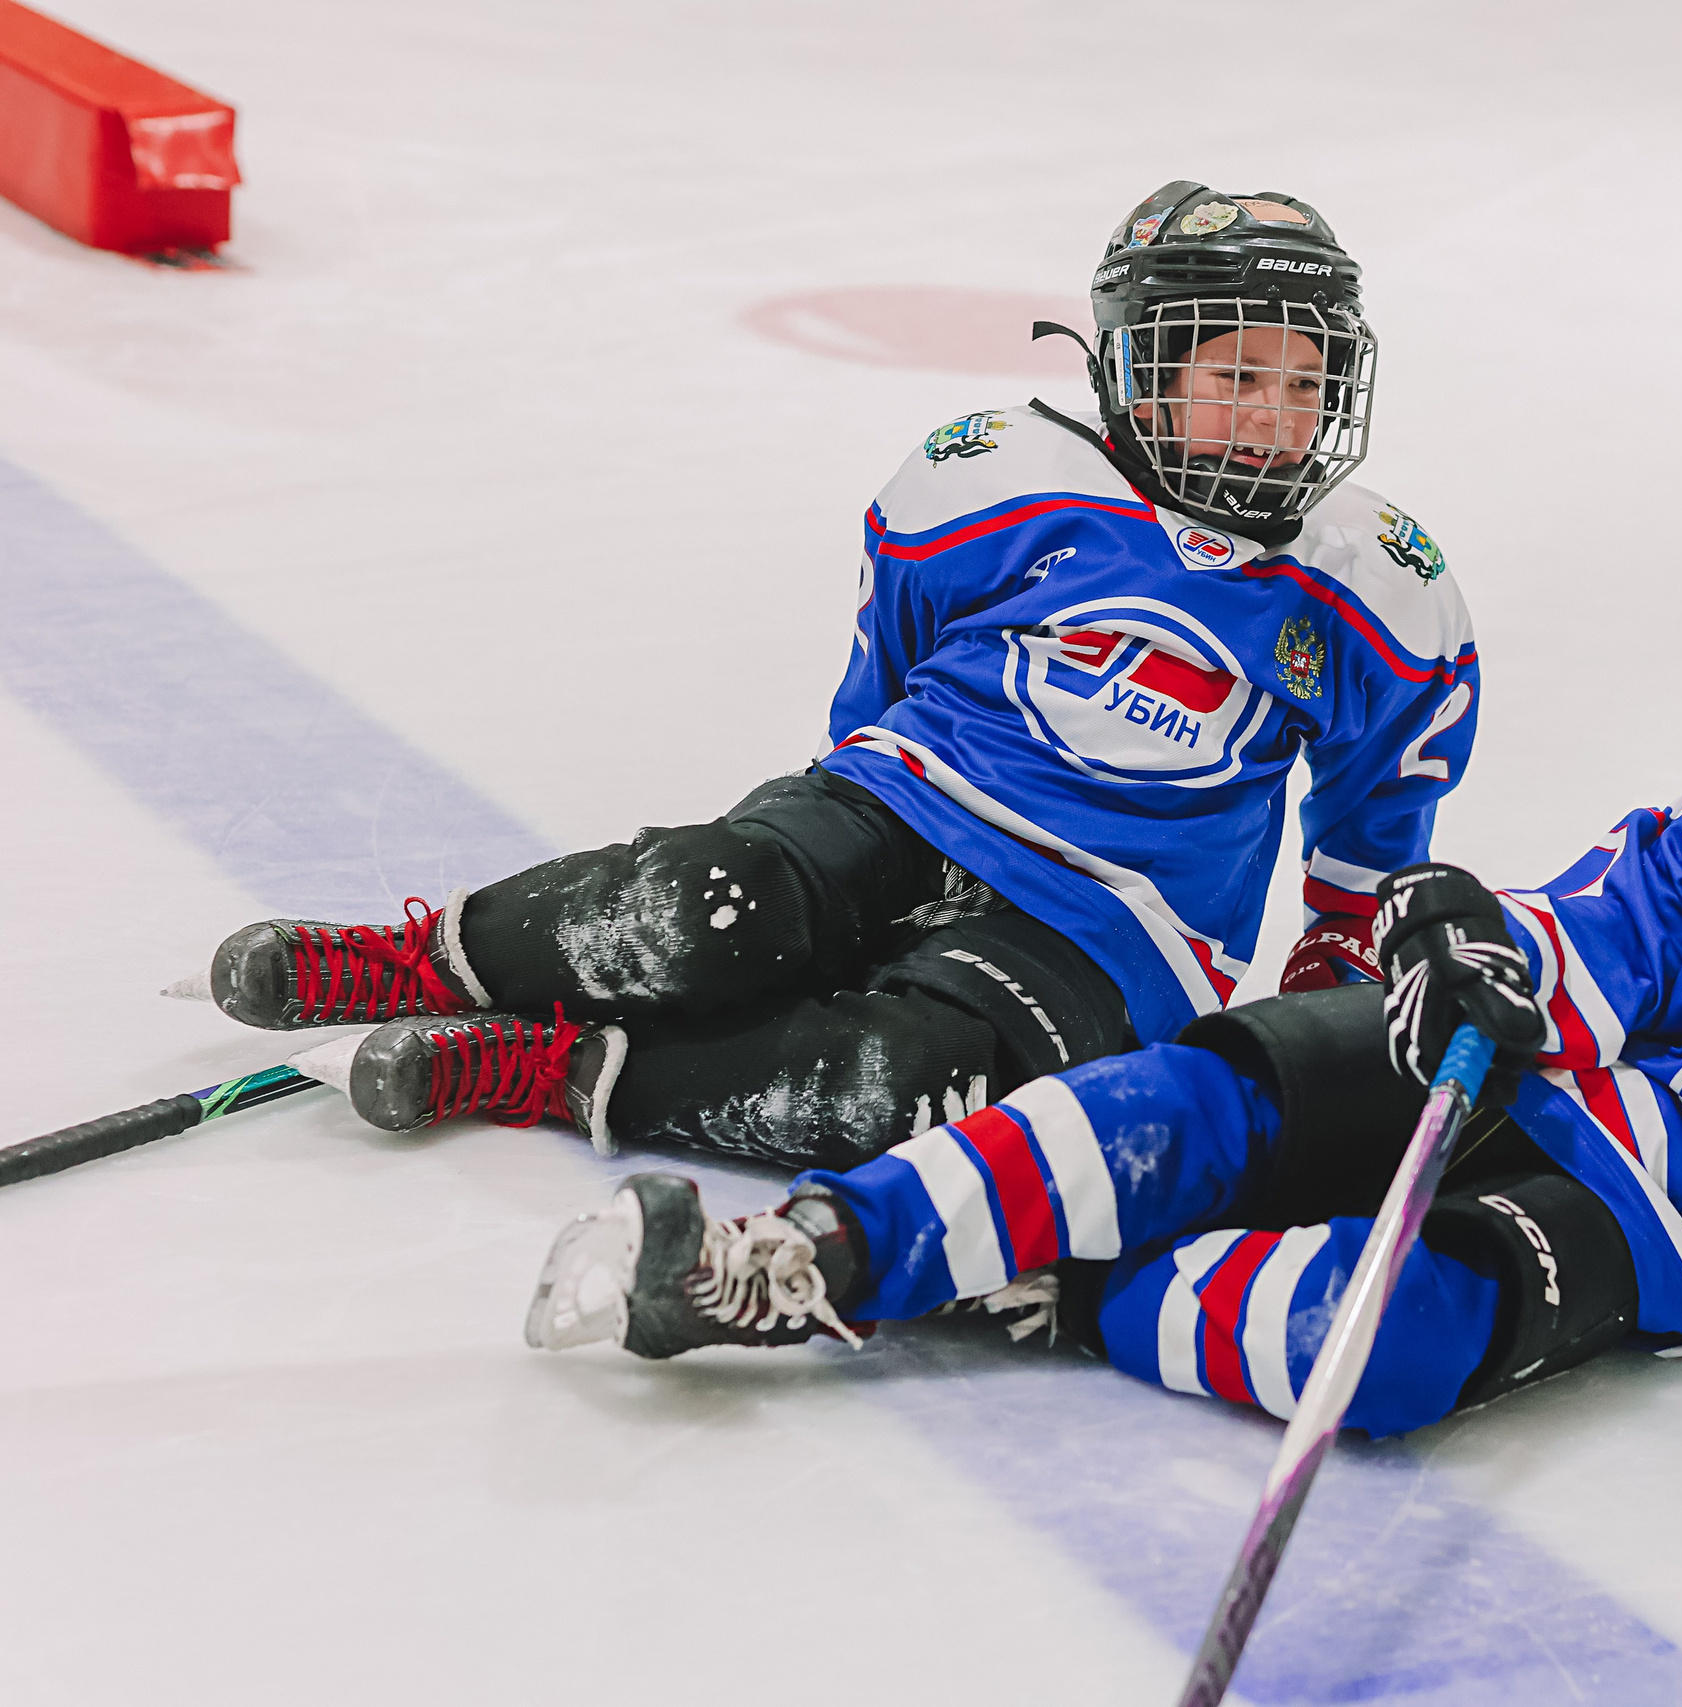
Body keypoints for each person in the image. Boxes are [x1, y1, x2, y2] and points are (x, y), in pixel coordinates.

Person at [522, 578, 1682, 1501]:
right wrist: (1461, 933)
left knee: (1384, 1346)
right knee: (1181, 1102)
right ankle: (808, 1253)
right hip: (1492, 1067)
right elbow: (1576, 942)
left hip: (1634, 1234)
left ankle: (1058, 1289)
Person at [199, 181, 1481, 1171]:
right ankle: (431, 961)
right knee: (715, 899)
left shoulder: (1380, 585)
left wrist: (1336, 964)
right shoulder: (999, 478)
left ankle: (548, 1069)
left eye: (1307, 384)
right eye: (1236, 375)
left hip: (1117, 923)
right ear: (1141, 367)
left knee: (896, 1084)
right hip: (915, 796)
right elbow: (887, 674)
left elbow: (1376, 818)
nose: (1275, 415)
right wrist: (840, 872)